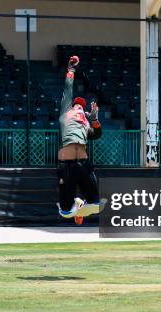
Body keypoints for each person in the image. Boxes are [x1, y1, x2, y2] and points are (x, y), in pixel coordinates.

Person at [56, 55, 104, 225]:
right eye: (76, 105)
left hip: (83, 162)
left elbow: (97, 135)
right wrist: (71, 70)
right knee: (66, 212)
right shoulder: (65, 113)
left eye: (81, 106)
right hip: (66, 164)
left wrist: (95, 120)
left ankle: (82, 202)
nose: (78, 106)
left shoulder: (84, 125)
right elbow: (68, 90)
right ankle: (74, 203)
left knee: (97, 205)